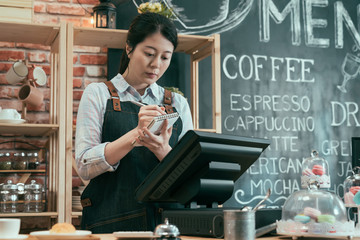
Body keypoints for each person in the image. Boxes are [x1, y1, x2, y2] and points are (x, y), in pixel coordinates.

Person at [75, 12, 193, 233]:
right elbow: (84, 165)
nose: (156, 65)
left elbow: (188, 178)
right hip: (111, 224)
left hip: (170, 227)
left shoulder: (178, 103)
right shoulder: (98, 94)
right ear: (129, 48)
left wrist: (163, 149)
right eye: (149, 53)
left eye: (165, 57)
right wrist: (136, 136)